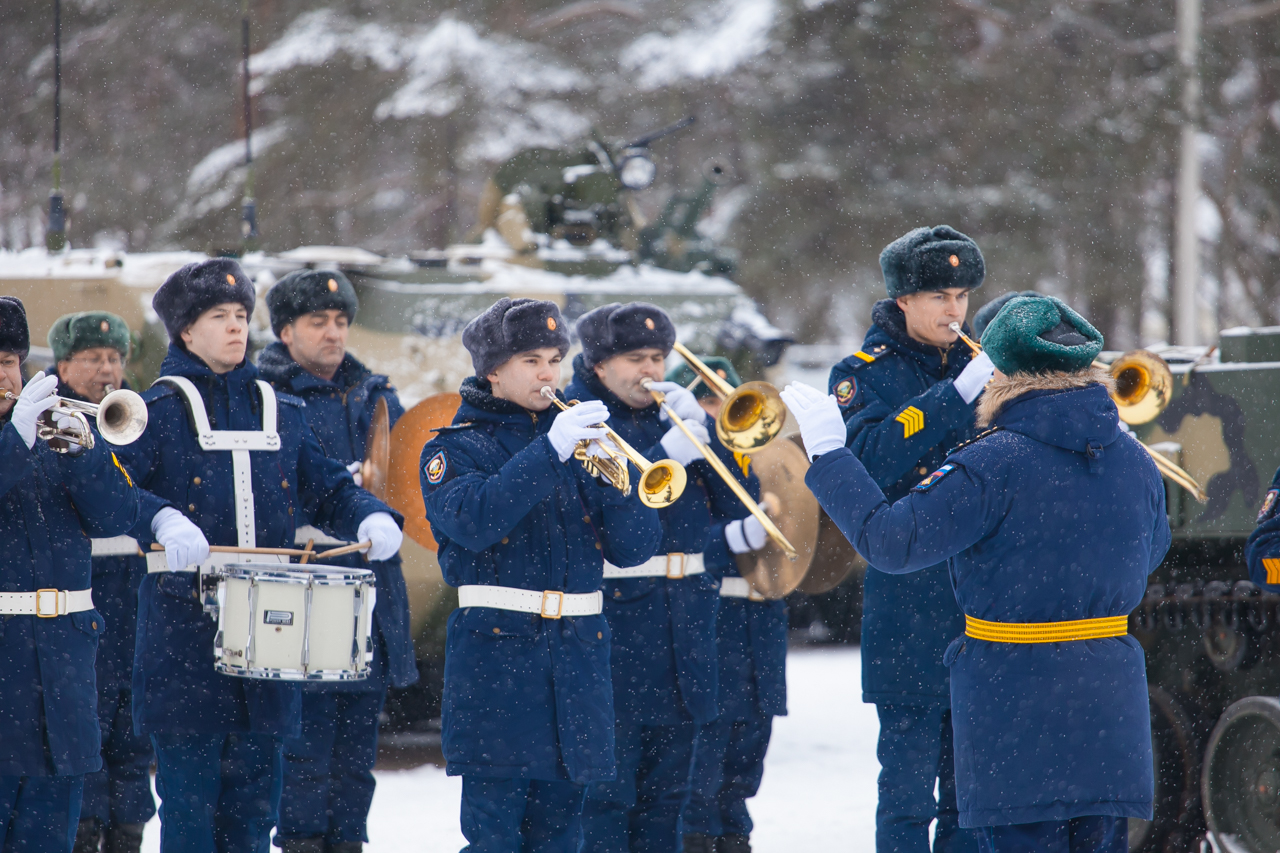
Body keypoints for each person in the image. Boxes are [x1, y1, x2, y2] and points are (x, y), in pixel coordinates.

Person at [781, 294, 1171, 853]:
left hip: (1014, 700)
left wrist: (829, 454)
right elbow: (1152, 550)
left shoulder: (992, 460)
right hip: (1109, 703)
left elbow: (893, 541)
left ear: (1001, 373)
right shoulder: (1133, 459)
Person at [112, 259, 404, 853]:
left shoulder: (281, 411)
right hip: (184, 645)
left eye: (242, 315)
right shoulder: (156, 412)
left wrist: (370, 515)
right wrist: (160, 518)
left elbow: (327, 488)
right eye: (219, 317)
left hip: (271, 644)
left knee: (253, 814)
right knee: (191, 815)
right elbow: (109, 490)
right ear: (186, 332)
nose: (236, 328)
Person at [420, 297, 662, 853]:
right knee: (495, 837)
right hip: (498, 665)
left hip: (578, 660)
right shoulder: (454, 449)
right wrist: (551, 449)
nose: (549, 373)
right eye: (531, 360)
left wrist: (619, 483)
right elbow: (475, 520)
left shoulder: (580, 446)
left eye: (555, 358)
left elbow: (633, 551)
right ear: (492, 371)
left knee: (562, 838)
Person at [566, 303, 761, 853]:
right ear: (599, 364)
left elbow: (733, 503)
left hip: (687, 627)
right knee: (609, 797)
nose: (650, 370)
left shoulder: (671, 416)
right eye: (635, 358)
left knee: (671, 798)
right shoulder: (580, 416)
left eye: (658, 357)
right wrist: (663, 456)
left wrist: (707, 437)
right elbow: (596, 511)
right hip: (619, 624)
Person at [824, 225, 991, 853]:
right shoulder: (861, 374)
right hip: (911, 608)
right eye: (939, 296)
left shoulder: (986, 367)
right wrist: (957, 396)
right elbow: (868, 460)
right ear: (903, 301)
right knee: (906, 796)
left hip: (984, 602)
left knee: (972, 800)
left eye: (963, 296)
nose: (955, 311)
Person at [260, 269, 419, 853]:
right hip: (298, 584)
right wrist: (338, 492)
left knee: (355, 757)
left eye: (341, 322)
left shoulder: (377, 395)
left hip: (372, 587)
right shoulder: (263, 394)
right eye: (318, 322)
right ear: (285, 331)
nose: (333, 333)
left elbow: (411, 480)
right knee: (302, 752)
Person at [0, 296, 140, 850]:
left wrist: (86, 456)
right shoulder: (22, 434)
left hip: (61, 669)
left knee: (50, 831)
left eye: (10, 361)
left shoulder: (54, 429)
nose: (3, 374)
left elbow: (118, 517)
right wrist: (15, 440)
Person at [666, 357, 787, 853]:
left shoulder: (762, 457)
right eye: (705, 399)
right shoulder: (685, 459)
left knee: (745, 760)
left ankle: (735, 840)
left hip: (762, 620)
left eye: (724, 398)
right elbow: (679, 540)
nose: (717, 410)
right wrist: (737, 535)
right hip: (713, 617)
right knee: (701, 764)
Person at [47, 312, 157, 853]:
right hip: (81, 589)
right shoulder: (44, 423)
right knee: (84, 722)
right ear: (64, 365)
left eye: (114, 359)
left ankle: (128, 832)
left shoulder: (133, 416)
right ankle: (85, 830)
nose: (108, 370)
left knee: (131, 727)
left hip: (132, 591)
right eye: (93, 359)